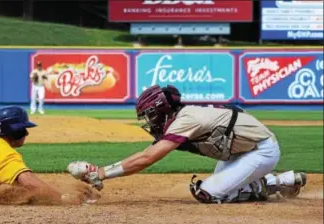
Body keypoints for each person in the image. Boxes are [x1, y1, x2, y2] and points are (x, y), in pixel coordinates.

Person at [67, 84, 307, 204]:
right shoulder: (182, 117)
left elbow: (148, 158)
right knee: (223, 188)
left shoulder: (186, 119)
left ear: (161, 110)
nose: (149, 121)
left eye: (150, 114)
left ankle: (276, 181)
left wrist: (102, 173)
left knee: (209, 194)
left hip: (261, 151)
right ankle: (275, 182)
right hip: (239, 153)